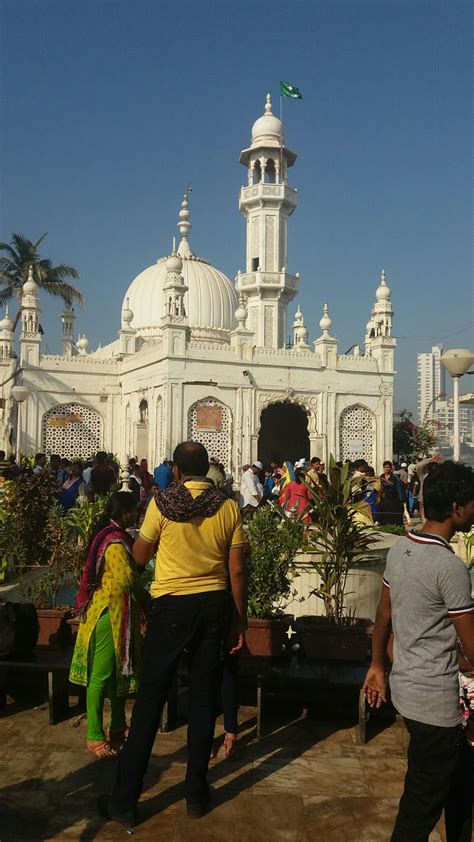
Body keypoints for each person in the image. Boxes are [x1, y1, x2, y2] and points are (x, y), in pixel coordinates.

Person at [99, 441, 247, 826]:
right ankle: (195, 794)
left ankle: (125, 800)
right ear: (207, 470)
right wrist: (239, 619)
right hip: (214, 606)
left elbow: (141, 556)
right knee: (202, 698)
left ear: (177, 472)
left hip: (172, 607)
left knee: (150, 700)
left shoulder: (162, 505)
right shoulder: (227, 506)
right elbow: (237, 571)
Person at [363, 460, 474, 842]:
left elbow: (384, 612)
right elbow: (472, 646)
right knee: (420, 808)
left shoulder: (402, 549)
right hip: (436, 703)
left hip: (407, 690)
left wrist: (377, 664)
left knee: (457, 784)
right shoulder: (449, 567)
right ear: (458, 507)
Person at [70, 492, 146, 760]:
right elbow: (127, 578)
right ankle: (94, 734)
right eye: (134, 510)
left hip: (118, 615)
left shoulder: (116, 536)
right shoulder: (114, 542)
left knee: (117, 676)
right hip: (107, 615)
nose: (137, 514)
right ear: (124, 512)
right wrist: (147, 597)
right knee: (101, 678)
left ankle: (117, 725)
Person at [378, 460, 404, 525]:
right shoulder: (382, 476)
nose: (387, 469)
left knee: (393, 513)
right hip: (385, 498)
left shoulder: (394, 476)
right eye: (385, 467)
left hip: (393, 497)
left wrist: (384, 480)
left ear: (391, 468)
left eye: (388, 467)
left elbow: (393, 484)